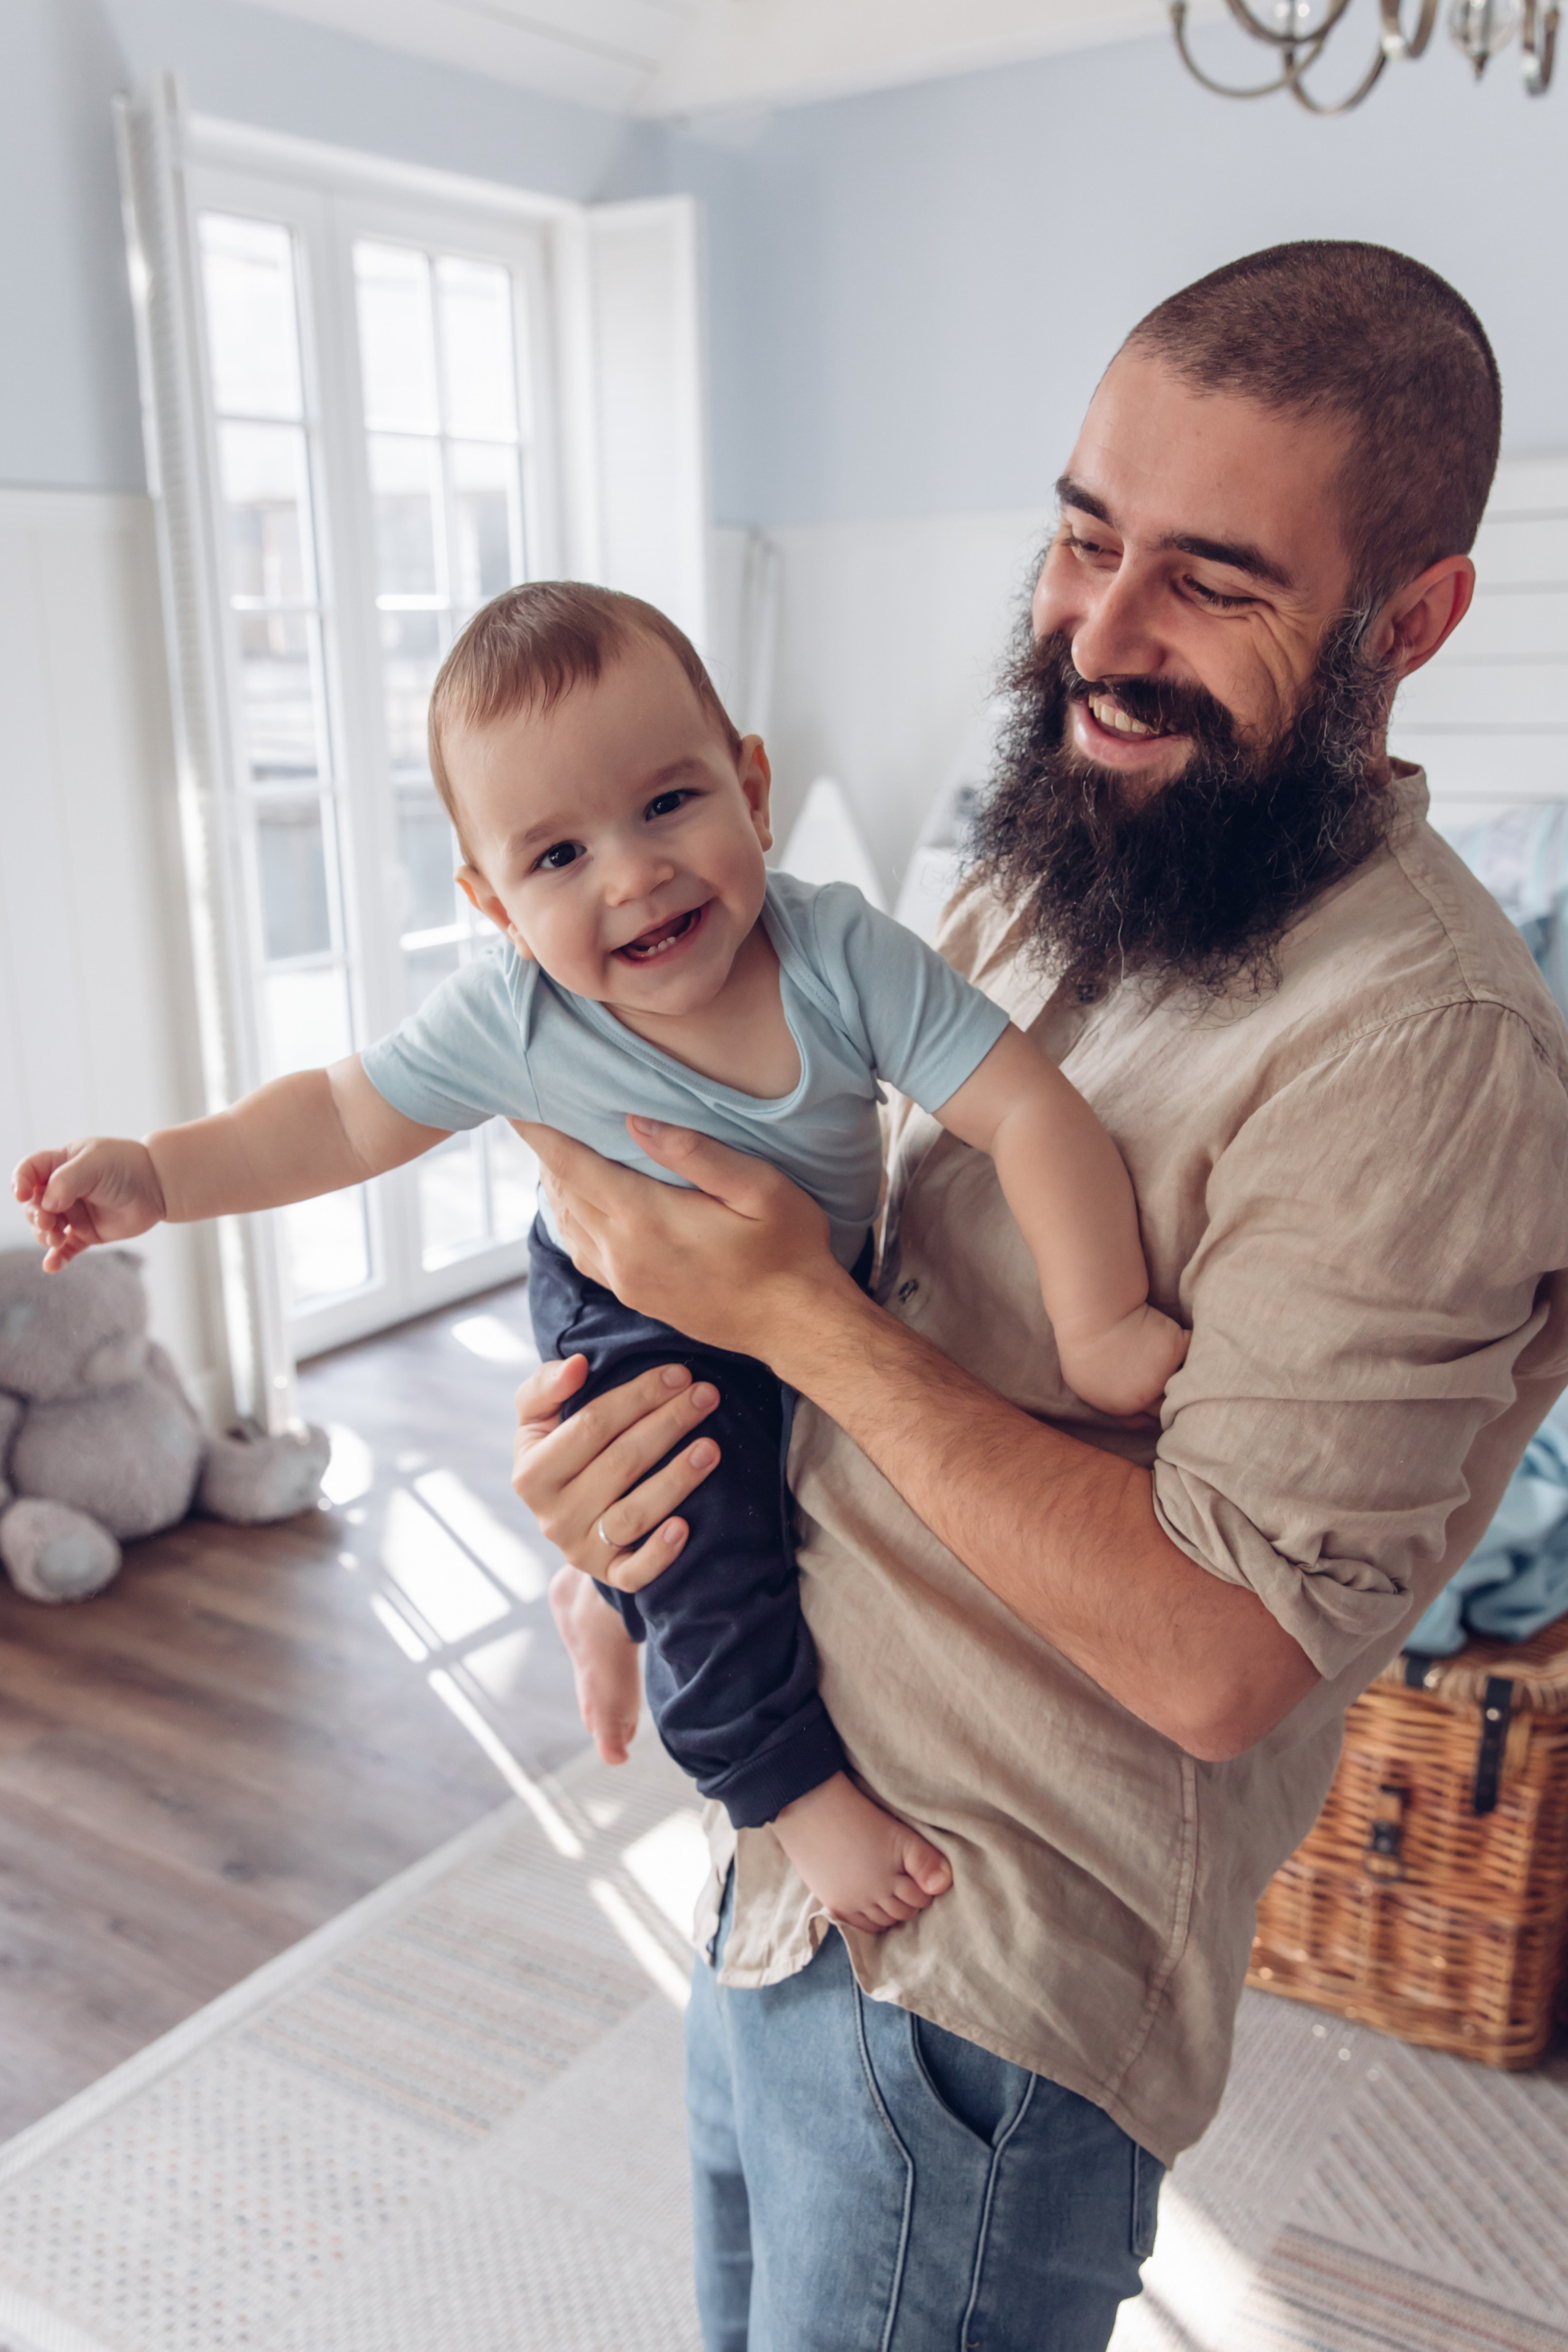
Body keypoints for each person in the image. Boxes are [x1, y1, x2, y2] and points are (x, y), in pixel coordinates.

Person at [508, 241, 1568, 2352]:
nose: (1101, 632)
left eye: (1213, 579)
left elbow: (1220, 1657)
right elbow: (842, 1271)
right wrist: (616, 1484)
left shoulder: (1422, 1051)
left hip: (980, 1981)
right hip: (785, 1845)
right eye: (1083, 538)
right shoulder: (1050, 857)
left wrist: (799, 1316)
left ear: (1412, 622)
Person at [11, 581, 1186, 1938]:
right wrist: (159, 1175)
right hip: (628, 1305)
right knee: (706, 1531)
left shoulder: (838, 954)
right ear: (492, 902)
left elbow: (1030, 1111)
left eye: (667, 804)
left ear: (750, 786)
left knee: (853, 1487)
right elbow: (336, 1116)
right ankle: (778, 1784)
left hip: (810, 1273)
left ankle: (594, 1592)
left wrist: (1097, 1322)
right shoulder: (510, 1015)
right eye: (556, 857)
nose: (631, 875)